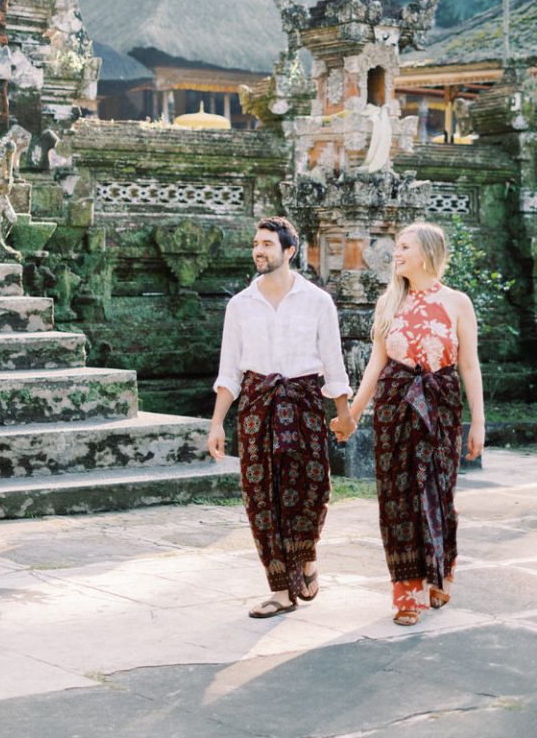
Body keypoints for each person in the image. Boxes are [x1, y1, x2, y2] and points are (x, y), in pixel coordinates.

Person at [330, 221, 485, 626]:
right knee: (398, 498)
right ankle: (406, 593)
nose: (395, 254)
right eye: (396, 247)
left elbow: (469, 364)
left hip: (441, 404)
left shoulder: (457, 303)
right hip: (394, 406)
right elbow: (375, 366)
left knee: (436, 492)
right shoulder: (389, 303)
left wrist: (479, 423)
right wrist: (352, 415)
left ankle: (439, 573)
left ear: (427, 253)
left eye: (403, 247)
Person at [208, 216, 355, 618]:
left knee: (312, 488)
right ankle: (279, 590)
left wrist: (343, 415)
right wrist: (218, 422)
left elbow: (334, 364)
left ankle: (306, 555)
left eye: (268, 244)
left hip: (303, 401)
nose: (259, 250)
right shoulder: (240, 305)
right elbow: (229, 371)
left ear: (289, 251)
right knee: (261, 499)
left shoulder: (317, 301)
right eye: (256, 243)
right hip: (256, 406)